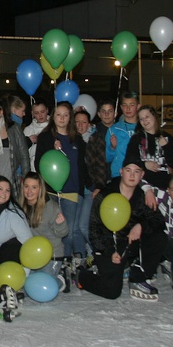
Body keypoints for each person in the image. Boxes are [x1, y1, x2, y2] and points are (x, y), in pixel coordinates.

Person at [77, 157, 167, 301]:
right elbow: (94, 230)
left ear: (142, 175)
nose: (132, 175)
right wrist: (109, 251)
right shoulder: (105, 195)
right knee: (112, 291)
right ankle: (82, 275)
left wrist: (140, 226)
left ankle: (138, 277)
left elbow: (159, 221)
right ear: (121, 172)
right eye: (128, 171)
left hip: (129, 244)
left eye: (136, 172)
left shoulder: (142, 196)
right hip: (108, 246)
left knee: (159, 237)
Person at [34, 101, 88, 261]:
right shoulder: (45, 137)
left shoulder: (77, 139)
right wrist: (53, 151)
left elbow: (82, 166)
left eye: (66, 115)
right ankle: (59, 263)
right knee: (53, 229)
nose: (62, 118)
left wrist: (88, 187)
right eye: (59, 114)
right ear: (53, 116)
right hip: (51, 191)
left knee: (69, 231)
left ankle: (69, 261)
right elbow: (38, 164)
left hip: (72, 190)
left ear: (70, 117)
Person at [18, 172, 69, 291]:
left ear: (40, 189)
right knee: (24, 285)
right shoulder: (20, 205)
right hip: (32, 255)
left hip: (52, 256)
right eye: (26, 186)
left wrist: (61, 224)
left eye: (34, 187)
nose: (29, 191)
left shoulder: (51, 207)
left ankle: (61, 280)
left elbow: (64, 233)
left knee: (39, 287)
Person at [125, 105, 173, 190]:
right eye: (141, 119)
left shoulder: (167, 137)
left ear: (154, 116)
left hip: (164, 186)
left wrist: (166, 146)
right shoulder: (136, 138)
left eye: (147, 117)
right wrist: (144, 164)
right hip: (143, 186)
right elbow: (128, 161)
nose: (144, 121)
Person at [74, 108, 96, 260]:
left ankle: (99, 250)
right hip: (75, 189)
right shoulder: (69, 140)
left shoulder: (94, 140)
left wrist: (97, 186)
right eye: (77, 122)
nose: (80, 125)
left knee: (83, 225)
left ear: (89, 124)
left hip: (91, 189)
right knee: (74, 228)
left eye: (84, 122)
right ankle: (82, 256)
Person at [106, 91, 140, 179]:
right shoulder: (113, 130)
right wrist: (112, 148)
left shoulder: (144, 129)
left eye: (132, 105)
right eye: (125, 105)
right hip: (119, 174)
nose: (128, 108)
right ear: (121, 107)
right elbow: (106, 158)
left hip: (140, 176)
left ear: (138, 106)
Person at [86, 98, 115, 193]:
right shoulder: (93, 133)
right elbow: (91, 161)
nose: (106, 114)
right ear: (99, 114)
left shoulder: (120, 132)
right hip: (99, 181)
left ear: (115, 114)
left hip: (118, 178)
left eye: (110, 111)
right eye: (103, 111)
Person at [24, 100, 50, 170]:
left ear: (47, 110)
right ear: (32, 113)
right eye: (36, 113)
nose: (40, 115)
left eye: (42, 112)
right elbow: (24, 154)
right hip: (34, 168)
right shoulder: (28, 129)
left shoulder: (54, 127)